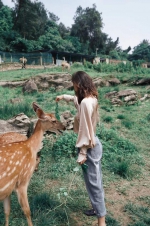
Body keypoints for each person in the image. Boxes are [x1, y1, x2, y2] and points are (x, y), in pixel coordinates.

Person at [56, 71, 106, 226]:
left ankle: (101, 222)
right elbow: (76, 101)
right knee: (95, 181)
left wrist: (82, 153)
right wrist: (64, 96)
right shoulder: (90, 98)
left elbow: (84, 128)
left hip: (89, 147)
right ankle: (97, 209)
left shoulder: (85, 103)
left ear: (78, 83)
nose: (73, 86)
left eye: (73, 83)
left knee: (94, 184)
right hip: (94, 143)